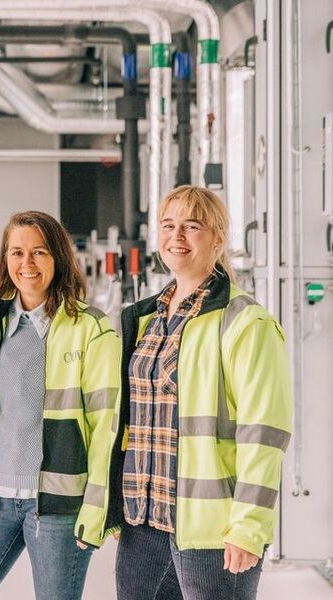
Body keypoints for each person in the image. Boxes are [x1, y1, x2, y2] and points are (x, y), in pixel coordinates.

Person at [107, 185, 293, 600]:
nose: (177, 237)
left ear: (218, 238)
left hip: (211, 529)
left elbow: (264, 434)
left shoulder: (246, 323)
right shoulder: (143, 319)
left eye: (192, 227)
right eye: (169, 226)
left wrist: (249, 526)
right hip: (143, 523)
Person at [0, 210, 120, 600]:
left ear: (58, 258)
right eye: (17, 253)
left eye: (39, 252)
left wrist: (97, 508)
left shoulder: (92, 329)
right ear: (5, 260)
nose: (27, 264)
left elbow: (107, 426)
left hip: (57, 507)